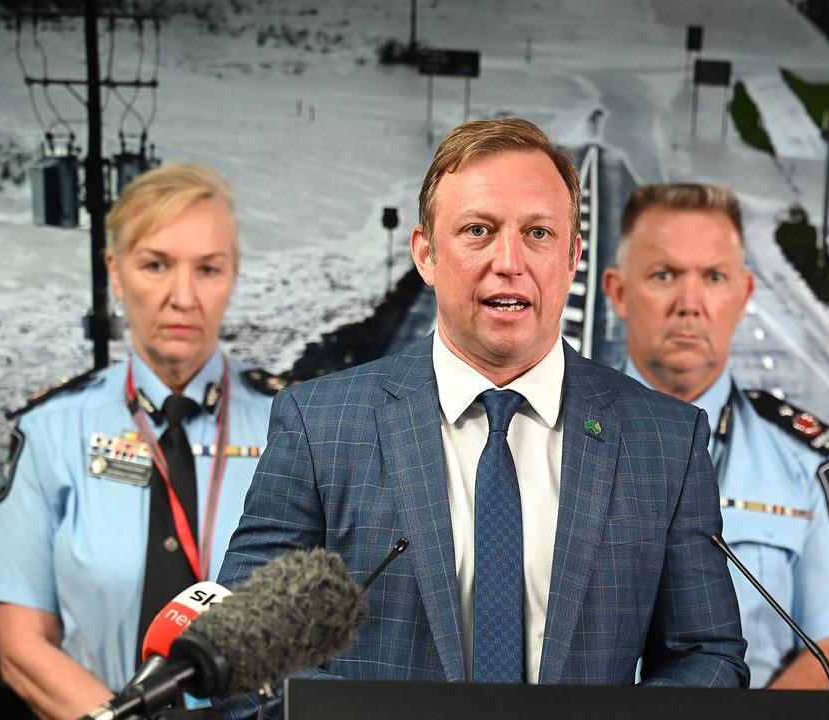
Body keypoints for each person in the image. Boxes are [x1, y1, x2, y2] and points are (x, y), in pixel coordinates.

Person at [215, 119, 747, 718]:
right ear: (427, 254)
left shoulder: (666, 441)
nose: (509, 262)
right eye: (478, 230)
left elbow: (707, 656)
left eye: (539, 233)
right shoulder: (320, 426)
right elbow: (245, 652)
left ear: (573, 256)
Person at [0, 163, 282, 720]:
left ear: (233, 275)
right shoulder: (53, 430)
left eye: (208, 268)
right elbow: (21, 643)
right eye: (156, 264)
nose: (182, 296)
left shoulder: (295, 428)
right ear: (115, 272)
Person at [601, 183, 829, 689]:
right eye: (664, 274)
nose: (689, 304)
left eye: (713, 277)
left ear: (742, 296)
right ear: (620, 293)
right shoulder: (545, 432)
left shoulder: (803, 461)